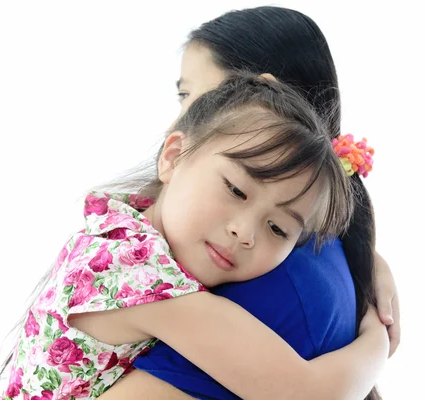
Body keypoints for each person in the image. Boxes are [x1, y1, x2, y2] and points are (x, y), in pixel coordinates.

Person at [0, 73, 386, 400]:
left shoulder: (122, 222)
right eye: (235, 190)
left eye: (278, 228)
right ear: (173, 157)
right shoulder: (143, 280)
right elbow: (305, 393)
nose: (244, 232)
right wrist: (377, 337)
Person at [100, 6, 397, 400]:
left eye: (194, 97)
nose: (178, 123)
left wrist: (376, 333)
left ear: (258, 93)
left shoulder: (152, 278)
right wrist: (374, 329)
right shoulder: (137, 255)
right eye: (182, 98)